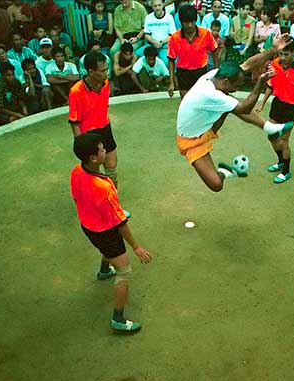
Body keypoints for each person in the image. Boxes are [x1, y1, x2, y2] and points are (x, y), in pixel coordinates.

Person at [175, 34, 294, 192]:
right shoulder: (210, 94)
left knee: (228, 101)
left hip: (206, 127)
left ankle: (270, 128)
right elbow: (244, 108)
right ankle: (226, 171)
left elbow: (246, 66)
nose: (237, 89)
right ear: (226, 81)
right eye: (236, 86)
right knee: (216, 185)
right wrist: (260, 83)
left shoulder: (216, 74)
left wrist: (272, 50)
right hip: (190, 140)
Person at [70, 132, 152, 334]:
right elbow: (120, 223)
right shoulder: (104, 188)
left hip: (88, 225)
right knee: (124, 272)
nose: (105, 150)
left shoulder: (76, 171)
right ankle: (118, 319)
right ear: (93, 158)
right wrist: (136, 246)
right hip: (105, 231)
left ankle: (105, 271)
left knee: (104, 248)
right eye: (101, 149)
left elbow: (76, 198)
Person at [255, 38, 294, 183]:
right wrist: (262, 103)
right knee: (271, 136)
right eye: (281, 54)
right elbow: (270, 85)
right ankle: (280, 161)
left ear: (293, 52)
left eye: (286, 54)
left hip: (291, 108)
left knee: (284, 141)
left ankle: (286, 171)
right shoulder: (275, 64)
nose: (283, 58)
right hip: (277, 104)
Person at [69, 51, 123, 191]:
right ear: (91, 71)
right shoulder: (76, 92)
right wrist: (82, 145)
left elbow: (104, 107)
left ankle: (113, 203)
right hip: (88, 135)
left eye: (107, 69)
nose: (107, 73)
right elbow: (74, 122)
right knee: (93, 174)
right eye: (103, 70)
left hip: (105, 129)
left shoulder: (105, 84)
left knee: (112, 168)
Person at [167, 5, 219, 99]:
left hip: (201, 72)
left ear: (195, 20)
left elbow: (214, 50)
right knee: (185, 101)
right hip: (183, 73)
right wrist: (171, 82)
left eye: (192, 21)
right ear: (181, 22)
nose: (190, 25)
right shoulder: (174, 37)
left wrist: (216, 71)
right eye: (186, 22)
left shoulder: (206, 33)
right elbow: (171, 60)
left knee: (202, 99)